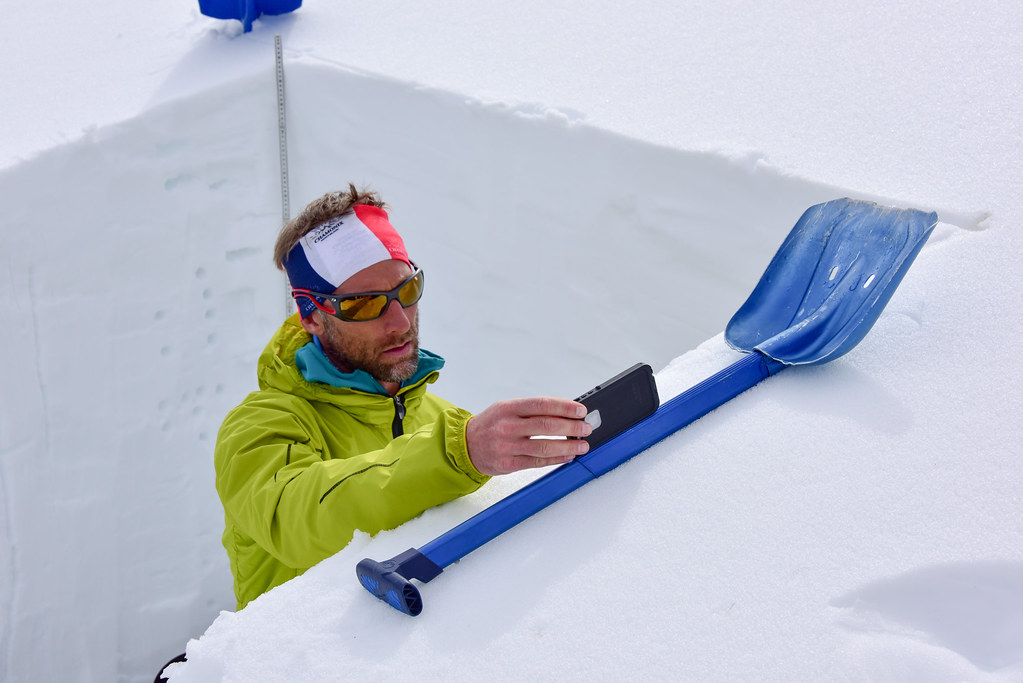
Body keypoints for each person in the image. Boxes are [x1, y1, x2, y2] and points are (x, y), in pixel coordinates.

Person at [214, 184, 593, 610]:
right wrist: (456, 453)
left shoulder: (442, 419)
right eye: (363, 306)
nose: (399, 321)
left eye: (407, 291)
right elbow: (298, 519)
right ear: (313, 316)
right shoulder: (260, 423)